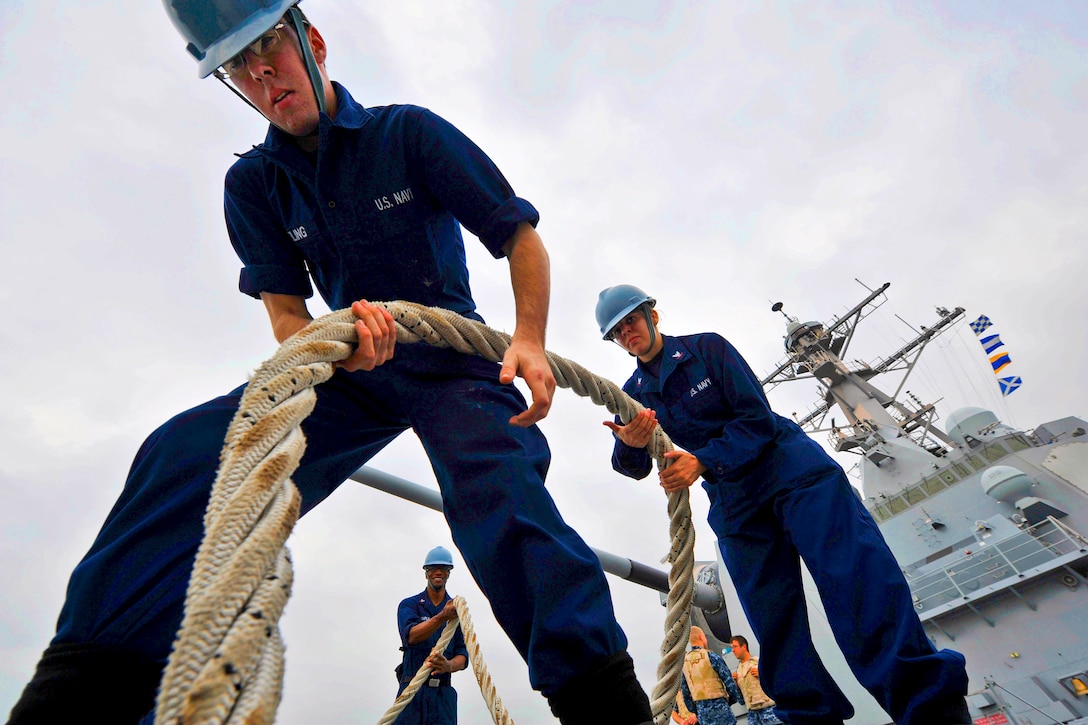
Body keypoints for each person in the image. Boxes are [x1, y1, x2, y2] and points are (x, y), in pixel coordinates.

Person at [5, 3, 657, 723]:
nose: (260, 74)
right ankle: (78, 695)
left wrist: (528, 338)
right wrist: (335, 339)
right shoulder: (253, 185)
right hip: (350, 368)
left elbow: (519, 236)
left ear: (312, 42)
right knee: (187, 453)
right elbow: (287, 318)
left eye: (270, 49)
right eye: (237, 66)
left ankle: (604, 705)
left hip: (453, 363)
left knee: (499, 493)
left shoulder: (408, 133)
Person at [594, 284, 972, 725]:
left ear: (652, 316)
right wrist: (632, 444)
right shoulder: (633, 392)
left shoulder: (707, 350)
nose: (627, 333)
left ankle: (929, 709)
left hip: (793, 475)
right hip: (735, 502)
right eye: (617, 332)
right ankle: (809, 716)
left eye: (631, 322)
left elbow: (755, 417)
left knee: (859, 587)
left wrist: (703, 460)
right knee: (772, 622)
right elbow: (631, 465)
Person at [393, 547, 470, 725]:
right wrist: (442, 616)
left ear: (449, 572)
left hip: (442, 696)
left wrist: (449, 665)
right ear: (426, 572)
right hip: (412, 693)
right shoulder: (410, 605)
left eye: (443, 568)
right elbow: (411, 636)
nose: (438, 572)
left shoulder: (457, 613)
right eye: (433, 568)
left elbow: (463, 655)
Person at [677, 626, 742, 725]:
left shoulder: (684, 665)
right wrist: (728, 702)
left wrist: (697, 710)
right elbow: (730, 684)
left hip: (703, 717)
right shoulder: (712, 657)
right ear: (702, 637)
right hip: (722, 712)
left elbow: (685, 694)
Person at [729, 636, 782, 725]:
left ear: (744, 646)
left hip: (769, 710)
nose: (733, 650)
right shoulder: (738, 671)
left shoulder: (759, 662)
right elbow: (741, 700)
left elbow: (777, 680)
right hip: (753, 714)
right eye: (732, 648)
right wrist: (735, 684)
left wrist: (763, 674)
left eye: (735, 647)